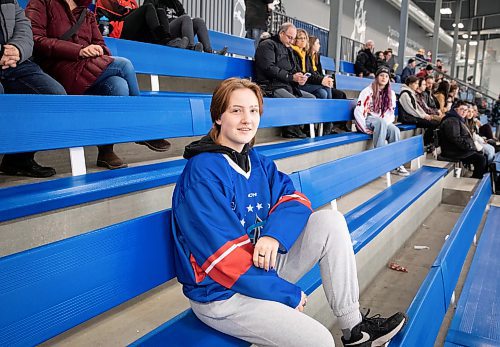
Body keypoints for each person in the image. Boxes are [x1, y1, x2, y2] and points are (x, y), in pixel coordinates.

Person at [171, 77, 408, 347]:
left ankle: (355, 331)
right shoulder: (202, 173)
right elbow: (222, 259)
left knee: (329, 221)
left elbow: (296, 199)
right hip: (221, 293)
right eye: (236, 110)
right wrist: (284, 293)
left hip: (259, 270)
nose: (246, 119)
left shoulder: (257, 162)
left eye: (253, 111)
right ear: (218, 118)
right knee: (319, 341)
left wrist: (274, 236)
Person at [26, 0, 171, 169]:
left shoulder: (86, 14)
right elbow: (35, 39)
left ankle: (106, 151)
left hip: (83, 68)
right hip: (55, 70)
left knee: (118, 85)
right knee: (124, 65)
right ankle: (142, 126)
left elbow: (101, 44)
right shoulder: (42, 3)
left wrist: (97, 50)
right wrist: (78, 50)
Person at [0, 0, 67, 178]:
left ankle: (18, 160)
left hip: (16, 62)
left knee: (54, 96)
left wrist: (17, 49)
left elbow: (23, 27)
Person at [254, 22, 315, 139]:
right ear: (281, 33)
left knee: (311, 99)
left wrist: (300, 78)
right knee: (293, 101)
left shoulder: (289, 49)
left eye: (293, 38)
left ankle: (303, 128)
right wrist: (290, 77)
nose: (291, 41)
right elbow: (268, 68)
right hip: (270, 85)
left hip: (287, 85)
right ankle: (290, 130)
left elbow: (295, 69)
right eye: (289, 37)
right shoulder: (267, 45)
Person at [354, 66, 409, 176]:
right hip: (367, 119)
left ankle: (396, 164)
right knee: (381, 122)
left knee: (394, 130)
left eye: (386, 76)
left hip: (382, 122)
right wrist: (364, 128)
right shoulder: (368, 91)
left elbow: (390, 114)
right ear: (377, 77)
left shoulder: (391, 94)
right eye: (381, 75)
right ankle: (379, 161)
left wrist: (385, 125)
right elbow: (358, 111)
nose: (384, 78)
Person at [292, 32, 347, 135]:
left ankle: (329, 126)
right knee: (325, 91)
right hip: (300, 84)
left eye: (305, 38)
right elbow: (309, 74)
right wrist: (323, 80)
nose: (319, 45)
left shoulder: (313, 56)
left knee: (332, 92)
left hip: (308, 82)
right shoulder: (301, 54)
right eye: (317, 43)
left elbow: (317, 73)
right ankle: (326, 125)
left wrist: (325, 79)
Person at [144, 0, 227, 54]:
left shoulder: (176, 3)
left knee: (199, 21)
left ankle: (209, 52)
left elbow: (186, 20)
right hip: (165, 32)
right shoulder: (154, 1)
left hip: (181, 37)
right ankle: (190, 48)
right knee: (186, 18)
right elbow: (148, 15)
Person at [95, 0, 188, 48]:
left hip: (132, 30)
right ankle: (164, 39)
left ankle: (169, 40)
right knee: (147, 7)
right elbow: (104, 20)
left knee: (160, 11)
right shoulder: (105, 1)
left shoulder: (131, 1)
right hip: (118, 29)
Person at [439, 100, 487, 178]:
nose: (464, 112)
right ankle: (475, 180)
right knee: (481, 159)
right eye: (462, 109)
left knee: (481, 155)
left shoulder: (458, 119)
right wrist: (469, 147)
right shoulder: (452, 120)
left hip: (458, 149)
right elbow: (455, 138)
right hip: (453, 151)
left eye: (466, 110)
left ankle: (478, 178)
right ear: (455, 109)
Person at [398, 76, 440, 146]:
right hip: (408, 118)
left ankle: (428, 142)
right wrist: (423, 116)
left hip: (413, 116)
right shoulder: (405, 94)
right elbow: (411, 110)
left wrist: (425, 115)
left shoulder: (411, 93)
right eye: (416, 83)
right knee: (433, 123)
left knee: (435, 122)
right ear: (410, 84)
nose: (417, 85)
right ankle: (425, 143)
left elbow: (418, 107)